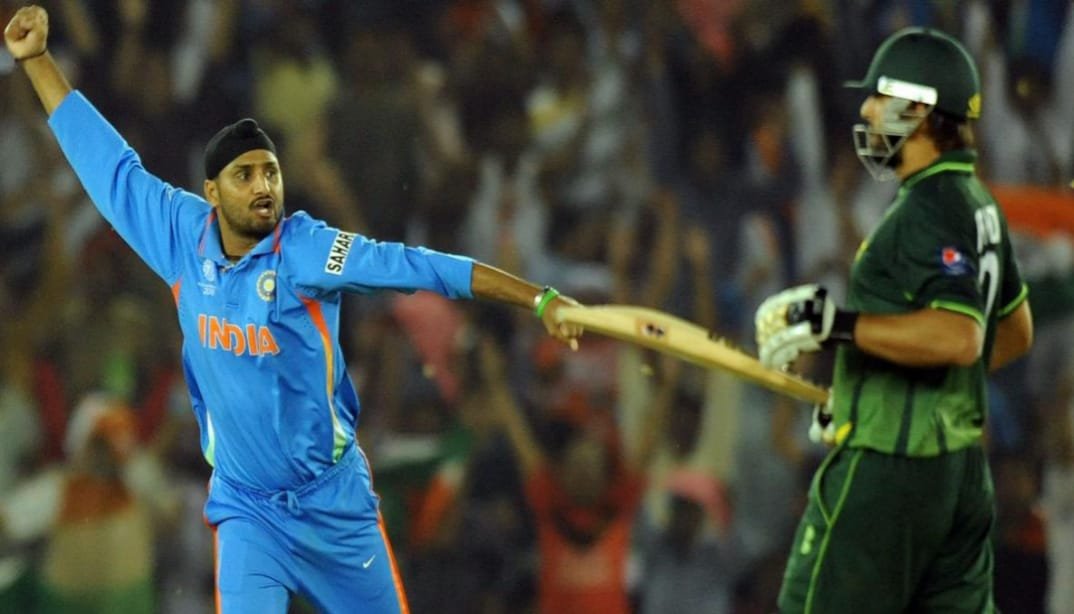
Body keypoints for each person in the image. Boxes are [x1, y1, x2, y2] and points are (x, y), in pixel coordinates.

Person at [3, 6, 584, 614]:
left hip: (333, 506)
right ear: (211, 193)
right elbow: (107, 165)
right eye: (245, 175)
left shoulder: (307, 250)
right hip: (247, 508)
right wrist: (38, 60)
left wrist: (538, 298)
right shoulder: (180, 235)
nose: (263, 188)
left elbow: (420, 265)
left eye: (271, 174)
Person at [754, 27, 1034, 613]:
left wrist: (839, 327)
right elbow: (1014, 334)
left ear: (923, 110)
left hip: (894, 477)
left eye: (882, 96)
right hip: (960, 474)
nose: (866, 109)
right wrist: (874, 393)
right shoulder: (979, 204)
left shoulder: (927, 211)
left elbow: (961, 337)